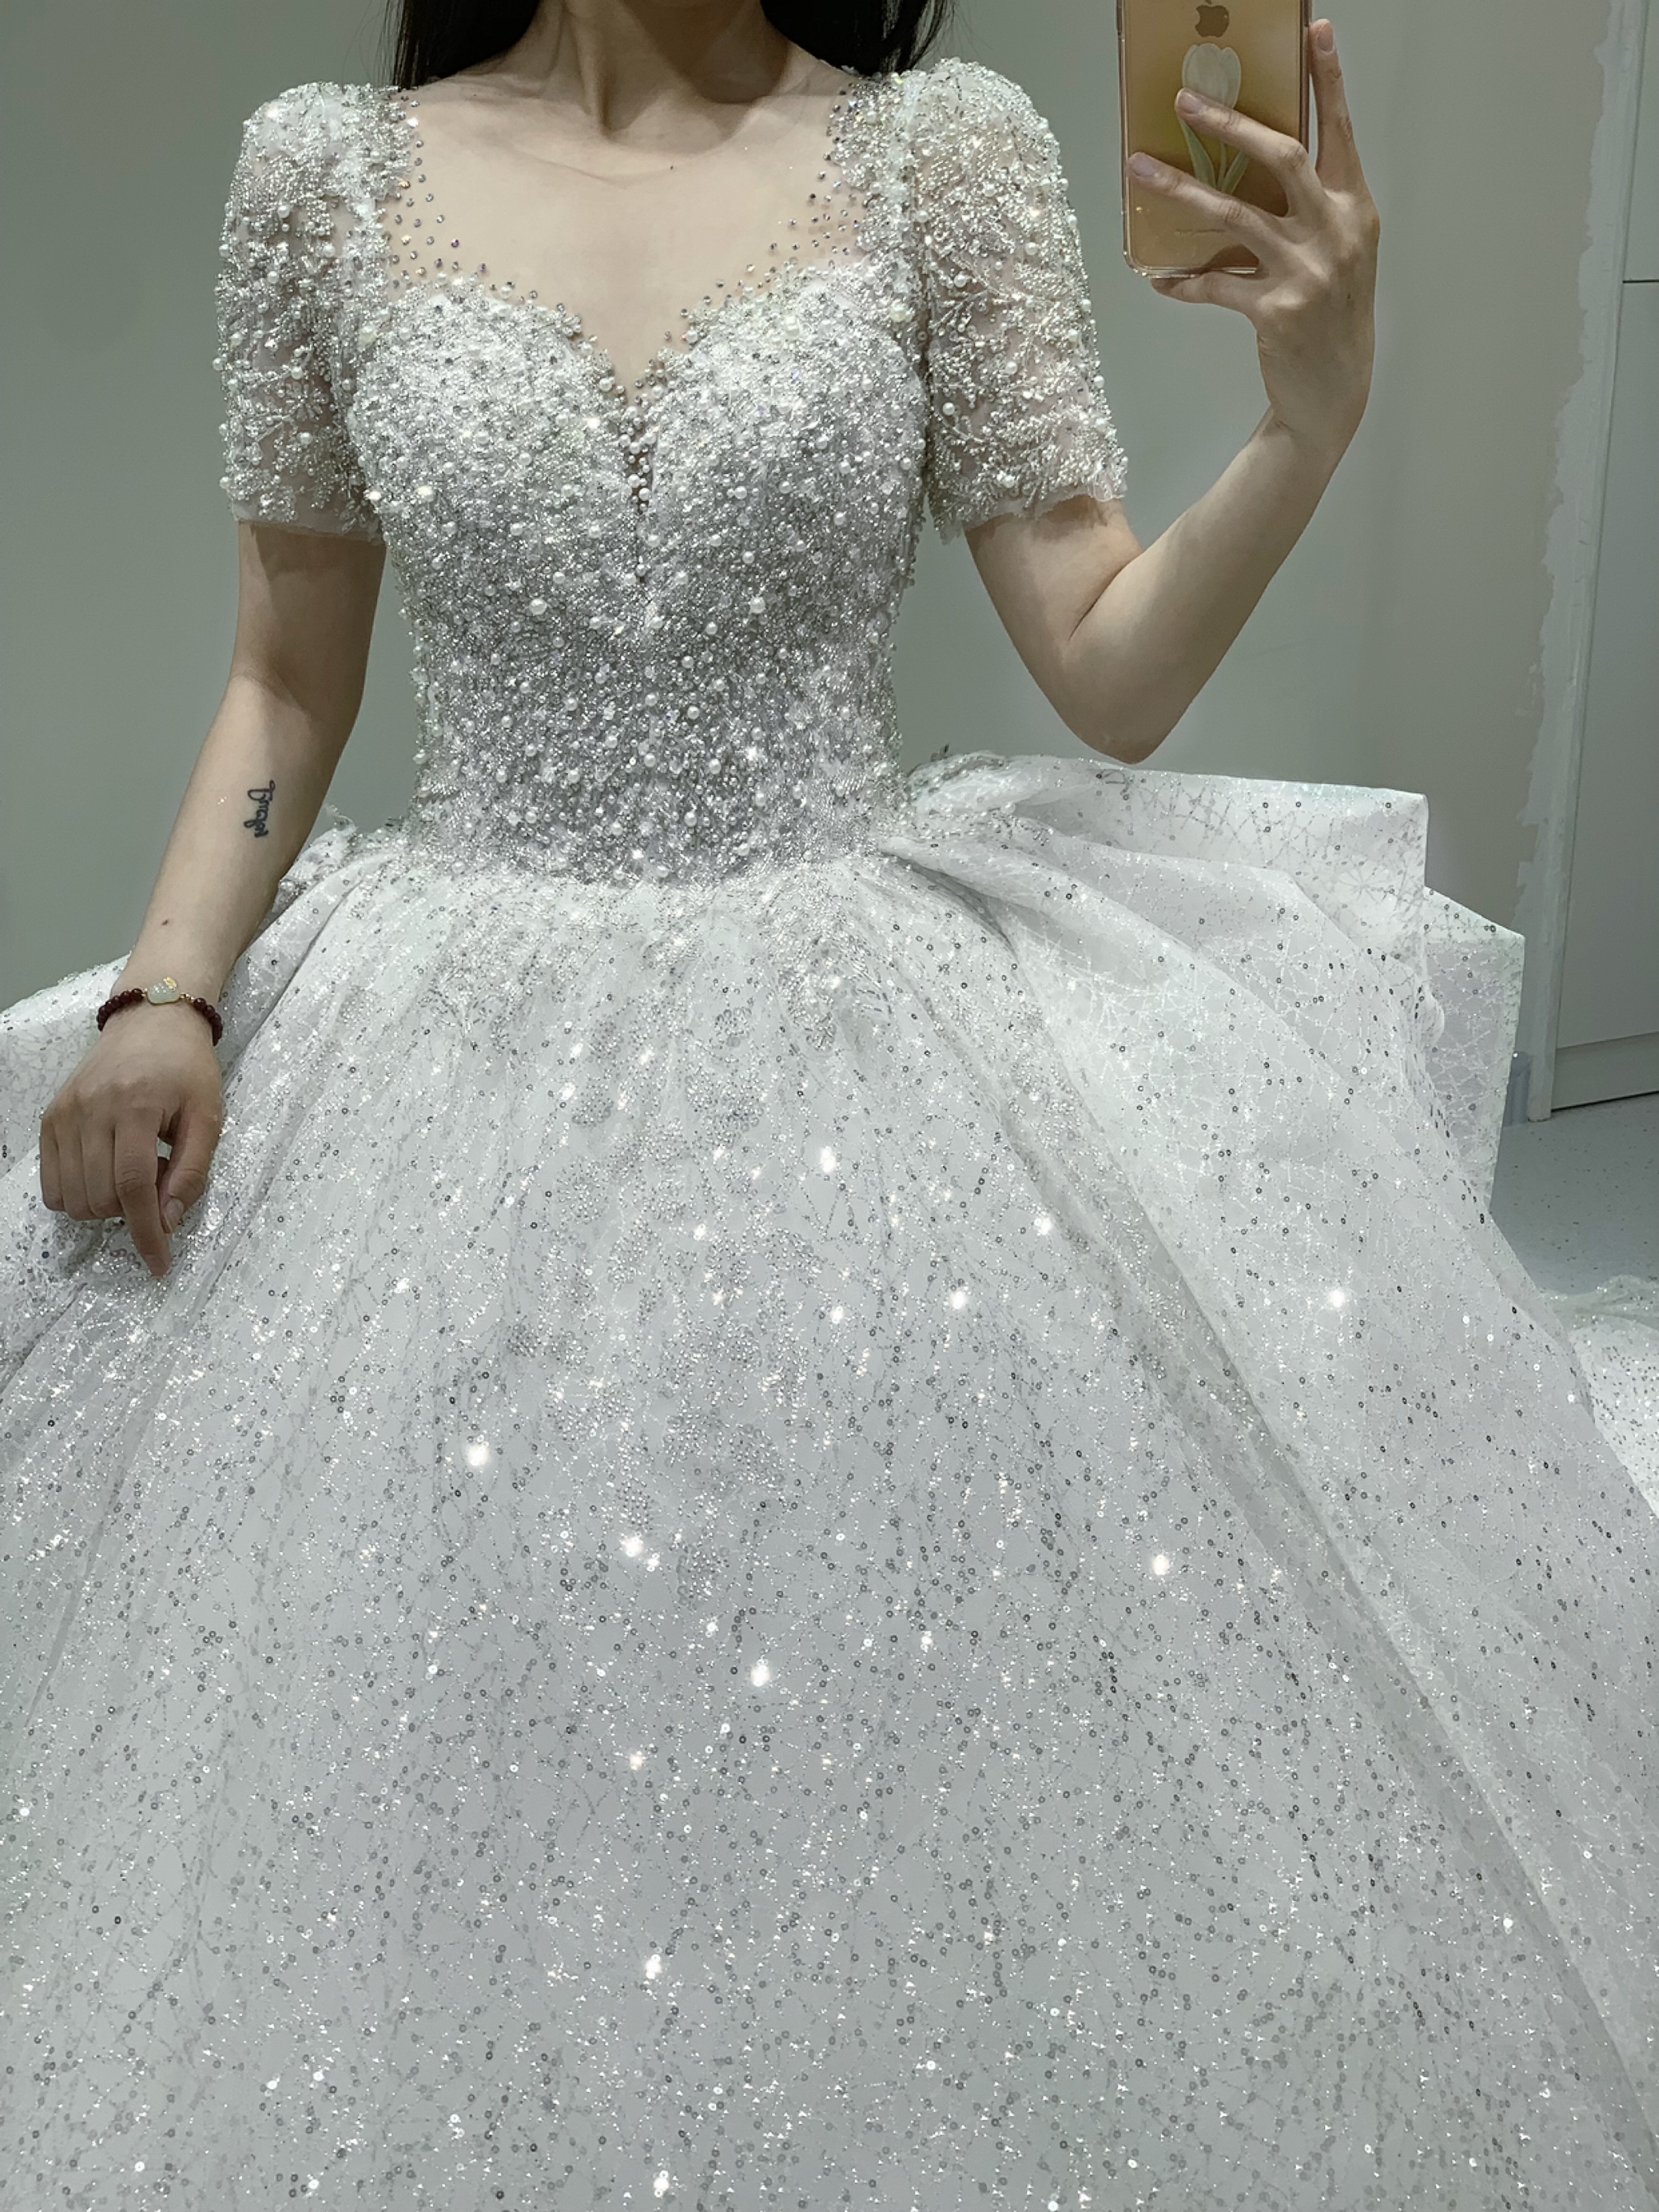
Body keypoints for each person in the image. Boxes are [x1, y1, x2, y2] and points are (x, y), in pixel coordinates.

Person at [2, 2, 1655, 2204]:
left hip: (863, 1059)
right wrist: (169, 990)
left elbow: (1110, 665)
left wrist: (1308, 420)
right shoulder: (323, 174)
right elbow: (287, 674)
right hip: (441, 1052)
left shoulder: (937, 155)